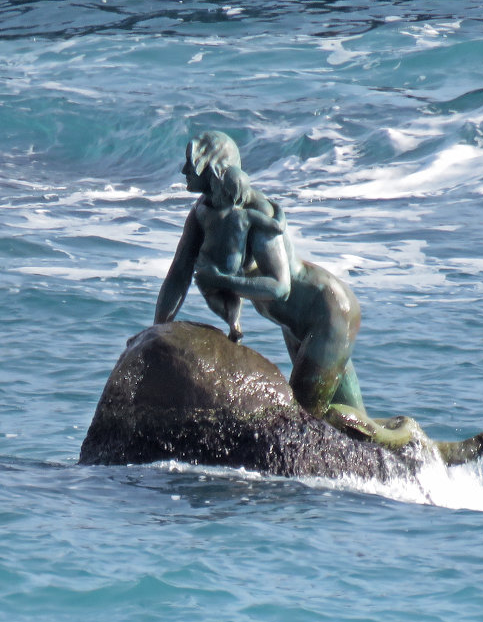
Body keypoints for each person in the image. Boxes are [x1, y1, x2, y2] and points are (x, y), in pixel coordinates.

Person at [156, 131, 408, 445]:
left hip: (327, 313)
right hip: (293, 324)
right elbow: (179, 271)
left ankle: (407, 435)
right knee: (347, 417)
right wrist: (157, 330)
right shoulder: (203, 211)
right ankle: (404, 443)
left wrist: (220, 281)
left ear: (215, 168)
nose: (183, 171)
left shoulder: (256, 213)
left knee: (306, 421)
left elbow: (279, 288)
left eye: (191, 164)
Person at [193, 164, 283, 343]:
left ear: (223, 194)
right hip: (232, 269)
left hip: (208, 266)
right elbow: (277, 227)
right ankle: (234, 322)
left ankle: (225, 316)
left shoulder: (207, 213)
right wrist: (278, 209)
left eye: (215, 188)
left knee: (210, 292)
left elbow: (199, 210)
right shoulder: (246, 216)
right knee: (234, 296)